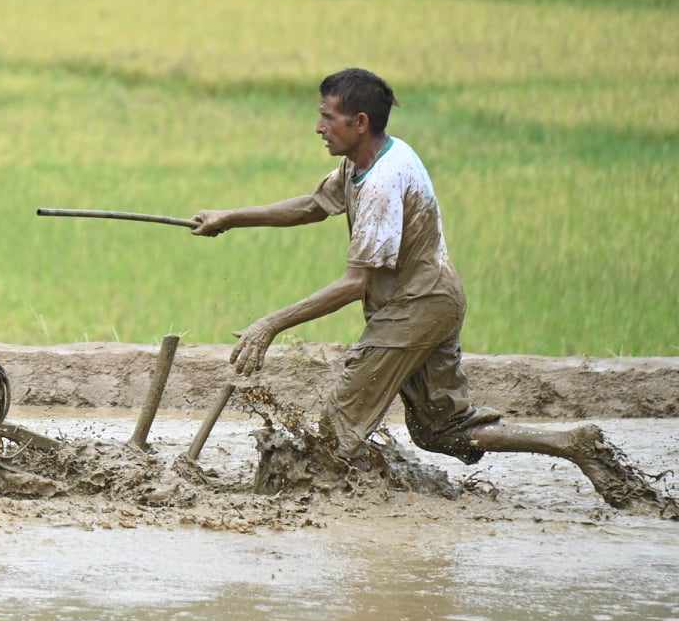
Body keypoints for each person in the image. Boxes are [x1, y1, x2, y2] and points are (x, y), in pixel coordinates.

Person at [189, 68, 663, 510]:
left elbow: (357, 283)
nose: (318, 126)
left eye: (326, 117)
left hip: (415, 306)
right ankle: (570, 443)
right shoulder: (368, 160)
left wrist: (271, 324)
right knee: (443, 431)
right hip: (431, 299)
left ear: (359, 121)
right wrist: (231, 217)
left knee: (335, 433)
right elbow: (315, 205)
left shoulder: (381, 182)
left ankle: (340, 514)